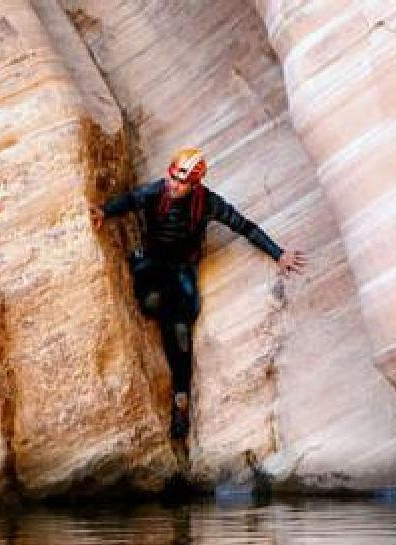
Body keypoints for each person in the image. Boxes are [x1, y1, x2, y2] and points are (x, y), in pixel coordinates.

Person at [90, 147, 306, 447]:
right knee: (153, 305)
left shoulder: (207, 204)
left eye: (181, 182)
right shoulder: (157, 192)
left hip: (182, 268)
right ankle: (179, 392)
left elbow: (243, 226)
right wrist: (103, 211)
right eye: (172, 178)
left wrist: (278, 253)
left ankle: (181, 398)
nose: (173, 185)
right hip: (153, 263)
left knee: (182, 324)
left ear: (194, 184)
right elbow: (129, 201)